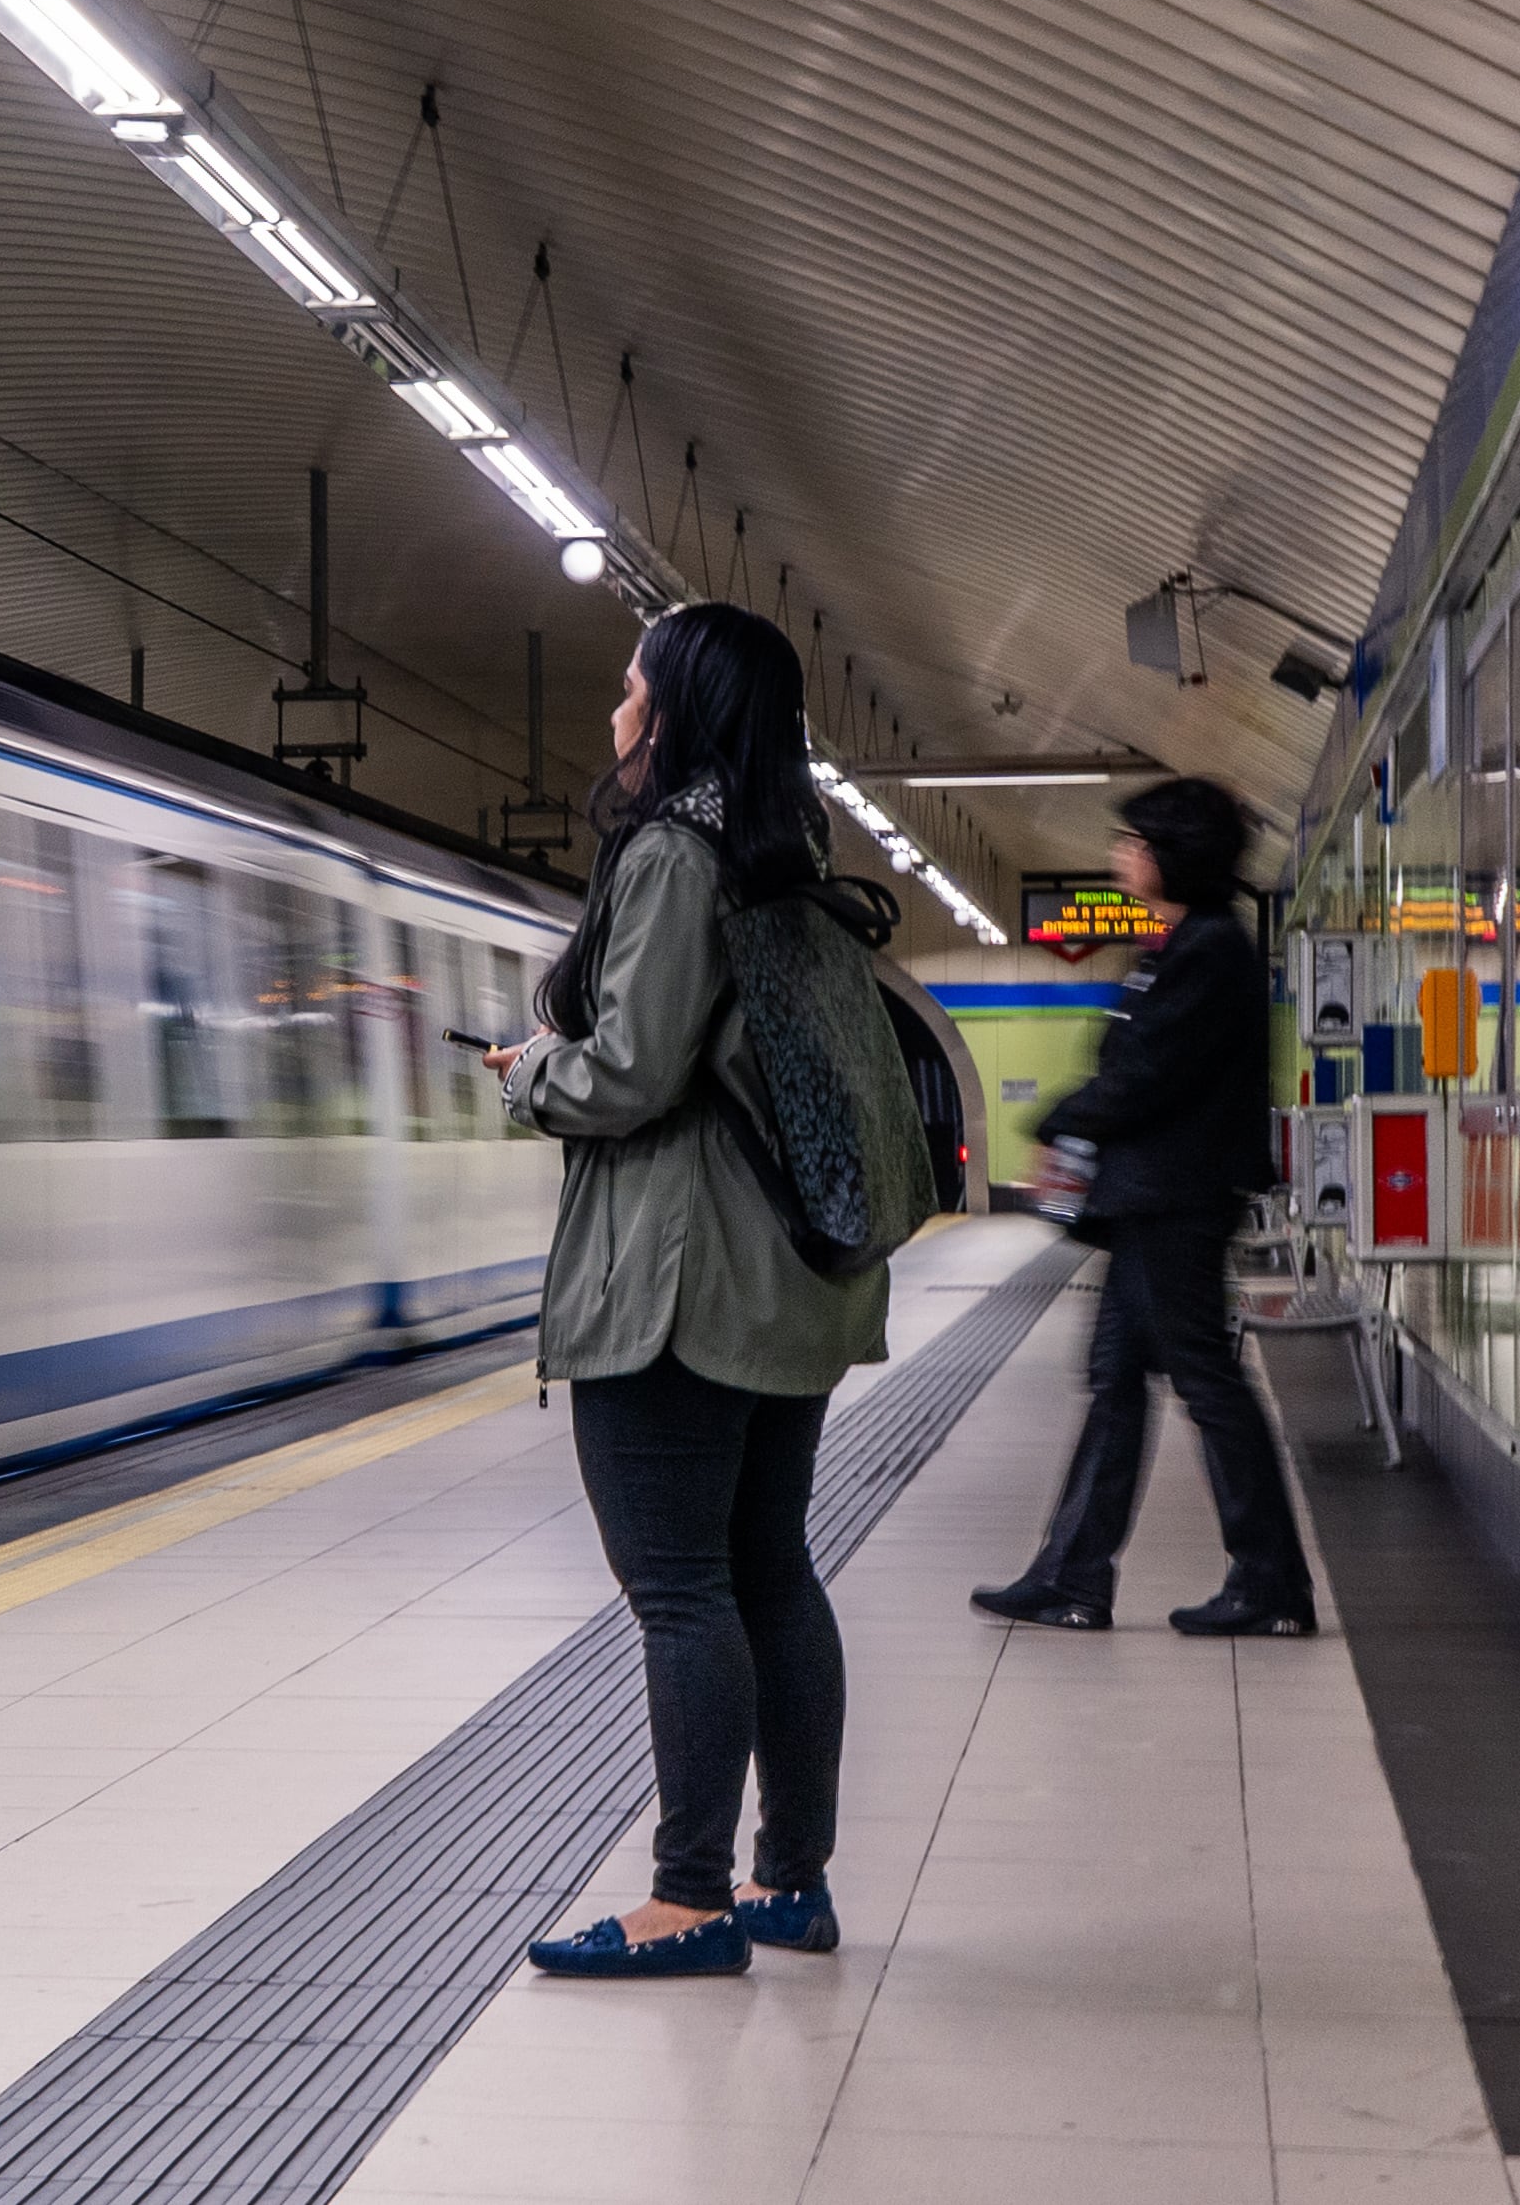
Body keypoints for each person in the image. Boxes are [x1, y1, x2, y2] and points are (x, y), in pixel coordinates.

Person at [485, 602, 891, 1980]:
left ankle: (686, 1898)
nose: (614, 712)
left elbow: (631, 1075)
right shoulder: (792, 864)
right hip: (783, 1284)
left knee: (678, 1590)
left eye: (628, 687)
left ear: (675, 708)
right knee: (771, 1571)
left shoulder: (672, 854)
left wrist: (527, 1070)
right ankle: (790, 1883)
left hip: (676, 1286)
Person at [971, 779, 1312, 1637]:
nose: (1121, 856)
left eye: (1133, 842)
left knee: (1205, 1381)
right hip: (1153, 1203)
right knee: (1117, 1381)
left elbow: (1145, 1075)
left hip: (1175, 1203)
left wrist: (1055, 1119)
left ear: (1170, 855)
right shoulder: (1182, 948)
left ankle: (1269, 1581)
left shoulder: (1207, 952)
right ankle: (1071, 1575)